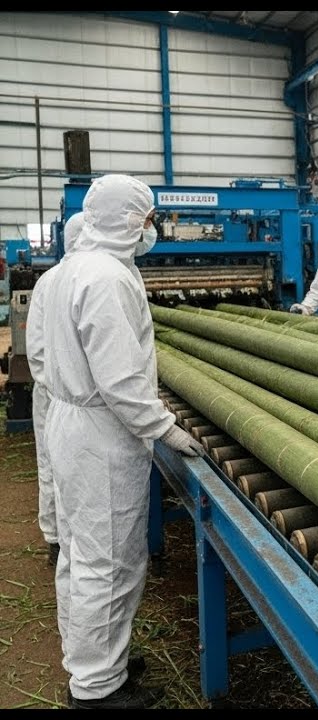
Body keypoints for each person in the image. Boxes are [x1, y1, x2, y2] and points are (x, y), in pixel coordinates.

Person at [36, 173, 203, 710]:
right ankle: (97, 690)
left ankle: (95, 659)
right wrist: (162, 426)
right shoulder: (106, 277)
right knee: (107, 561)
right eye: (149, 218)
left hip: (71, 421)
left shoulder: (68, 271)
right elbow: (120, 379)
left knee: (82, 555)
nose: (152, 228)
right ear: (129, 219)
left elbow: (59, 360)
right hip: (101, 434)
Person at [27, 211, 85, 568]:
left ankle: (71, 538)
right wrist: (69, 388)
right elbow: (37, 350)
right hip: (57, 396)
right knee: (54, 467)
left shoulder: (87, 277)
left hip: (78, 399)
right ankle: (56, 539)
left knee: (74, 472)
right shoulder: (52, 281)